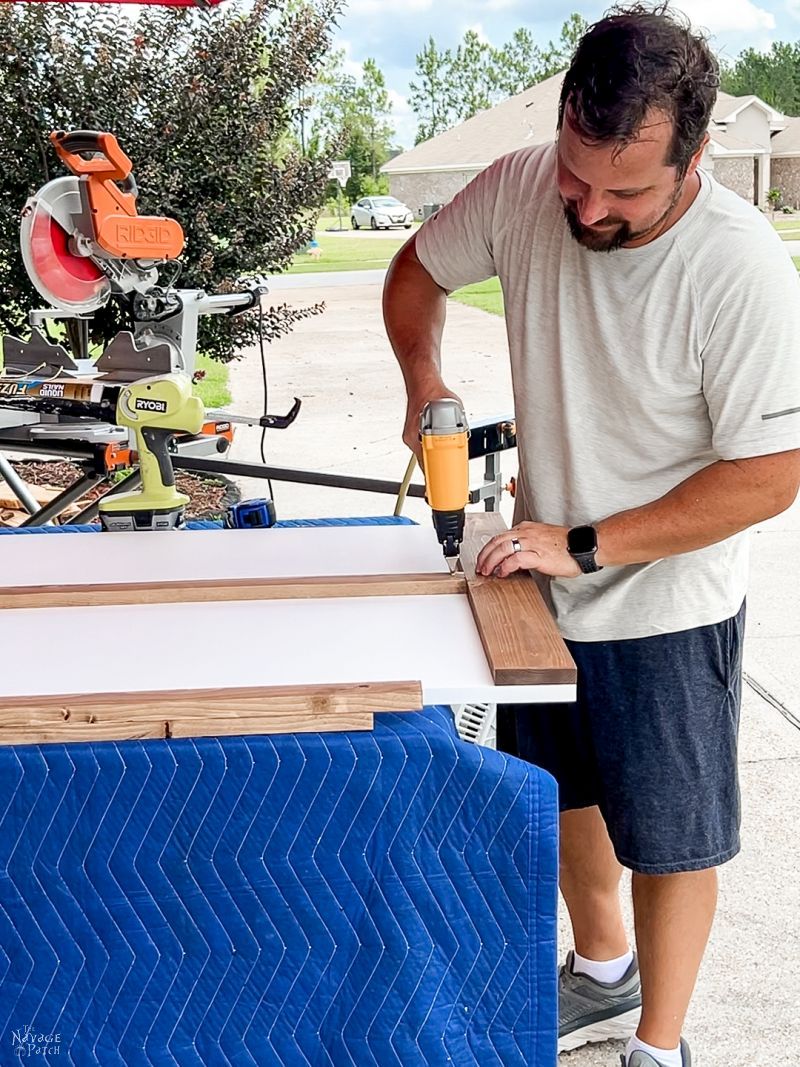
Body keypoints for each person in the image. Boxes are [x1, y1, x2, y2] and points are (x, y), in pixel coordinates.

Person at [382, 5, 800, 1066]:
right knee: (563, 789)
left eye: (623, 191)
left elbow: (770, 472)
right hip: (538, 566)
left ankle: (656, 1043)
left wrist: (586, 540)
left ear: (692, 156)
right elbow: (415, 271)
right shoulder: (528, 183)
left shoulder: (739, 267)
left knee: (670, 834)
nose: (586, 205)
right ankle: (601, 969)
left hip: (664, 594)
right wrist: (426, 378)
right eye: (576, 175)